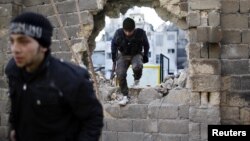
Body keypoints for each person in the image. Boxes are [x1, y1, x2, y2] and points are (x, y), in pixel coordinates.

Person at [5, 12, 103, 141]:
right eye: (12, 41)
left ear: (43, 46)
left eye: (23, 42)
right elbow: (16, 105)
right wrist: (13, 129)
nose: (15, 49)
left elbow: (93, 120)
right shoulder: (13, 70)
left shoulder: (71, 78)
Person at [111, 17, 150, 106]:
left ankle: (136, 79)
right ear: (123, 29)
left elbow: (146, 45)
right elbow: (113, 45)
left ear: (134, 29)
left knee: (137, 66)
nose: (128, 33)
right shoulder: (118, 33)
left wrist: (146, 55)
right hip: (123, 55)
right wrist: (114, 57)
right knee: (120, 74)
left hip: (136, 54)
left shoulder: (140, 33)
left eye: (130, 31)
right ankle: (125, 95)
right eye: (126, 31)